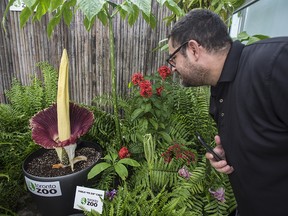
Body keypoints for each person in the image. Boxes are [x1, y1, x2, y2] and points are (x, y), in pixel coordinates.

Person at [167, 8, 288, 216]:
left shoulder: (275, 62)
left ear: (194, 49)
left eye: (173, 58)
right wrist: (230, 151)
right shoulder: (219, 88)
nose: (172, 68)